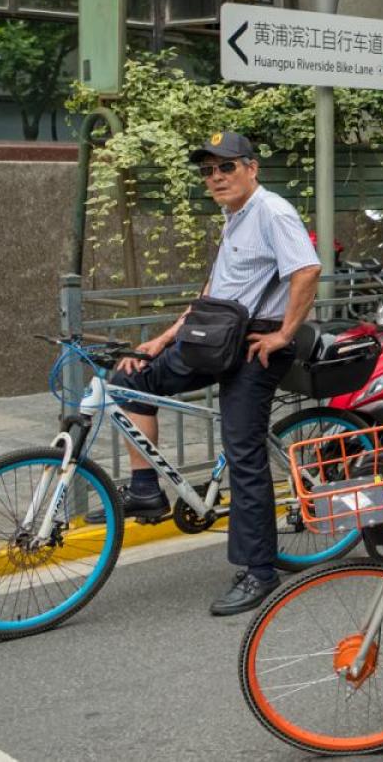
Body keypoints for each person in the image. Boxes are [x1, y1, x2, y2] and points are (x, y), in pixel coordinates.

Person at [108, 131, 320, 615]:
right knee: (129, 378)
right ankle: (145, 491)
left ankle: (259, 571)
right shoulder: (234, 216)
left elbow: (306, 271)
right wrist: (162, 340)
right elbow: (214, 290)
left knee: (241, 451)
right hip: (214, 336)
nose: (216, 177)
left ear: (252, 168)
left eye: (226, 167)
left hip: (254, 346)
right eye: (208, 171)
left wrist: (284, 335)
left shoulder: (272, 211)